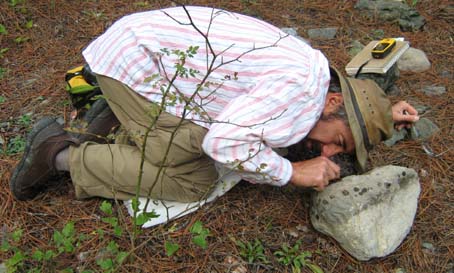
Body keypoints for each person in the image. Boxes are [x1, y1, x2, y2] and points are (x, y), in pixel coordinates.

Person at [10, 6, 419, 202]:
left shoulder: (313, 69)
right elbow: (224, 144)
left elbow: (349, 99)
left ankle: (117, 112)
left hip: (141, 46)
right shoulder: (298, 105)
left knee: (205, 139)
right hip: (131, 64)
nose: (328, 152)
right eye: (341, 142)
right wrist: (291, 171)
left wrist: (383, 110)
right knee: (193, 178)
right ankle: (60, 156)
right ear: (333, 101)